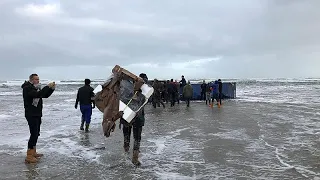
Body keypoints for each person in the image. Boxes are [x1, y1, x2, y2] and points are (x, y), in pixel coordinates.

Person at [21, 74, 55, 164]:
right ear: (31, 80)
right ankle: (29, 156)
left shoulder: (36, 87)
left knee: (37, 133)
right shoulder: (27, 88)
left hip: (37, 113)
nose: (38, 81)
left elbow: (44, 95)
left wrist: (51, 89)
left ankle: (33, 152)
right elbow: (37, 94)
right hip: (31, 114)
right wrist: (47, 87)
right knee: (34, 134)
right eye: (36, 79)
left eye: (38, 79)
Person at [119, 73, 148, 166]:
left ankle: (126, 155)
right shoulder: (144, 93)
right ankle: (135, 158)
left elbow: (121, 100)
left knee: (127, 136)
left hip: (126, 116)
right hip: (137, 118)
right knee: (137, 138)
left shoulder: (127, 89)